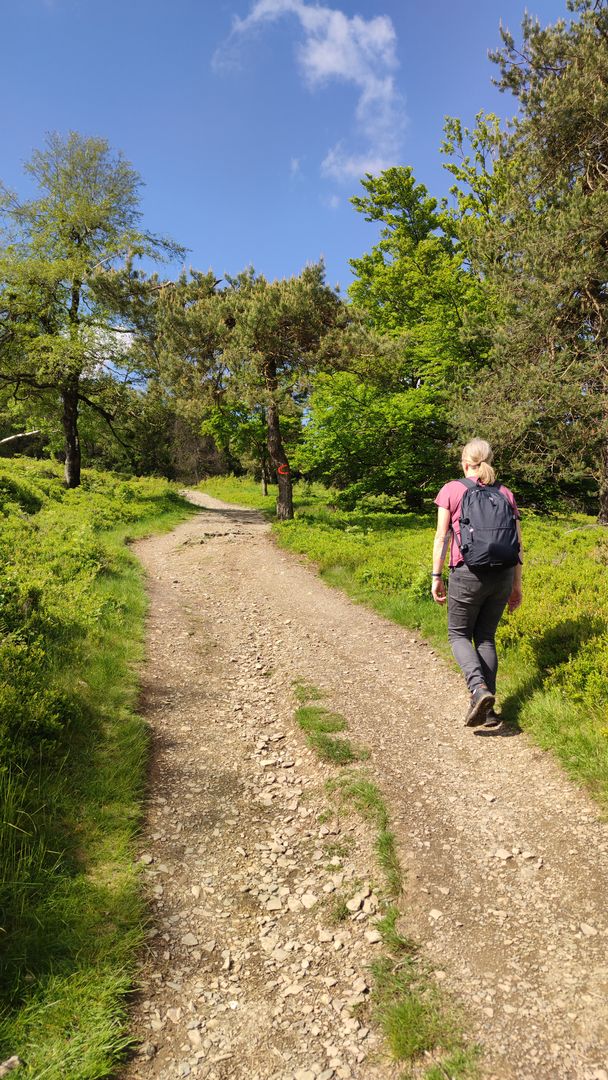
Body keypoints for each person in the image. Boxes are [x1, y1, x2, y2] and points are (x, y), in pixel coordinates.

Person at [431, 439, 523, 727]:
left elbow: (441, 537)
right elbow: (518, 544)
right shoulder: (505, 493)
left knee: (458, 635)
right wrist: (517, 586)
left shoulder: (452, 489)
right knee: (485, 638)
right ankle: (489, 711)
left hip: (467, 573)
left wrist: (436, 576)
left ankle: (478, 689)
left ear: (464, 461)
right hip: (503, 575)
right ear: (488, 460)